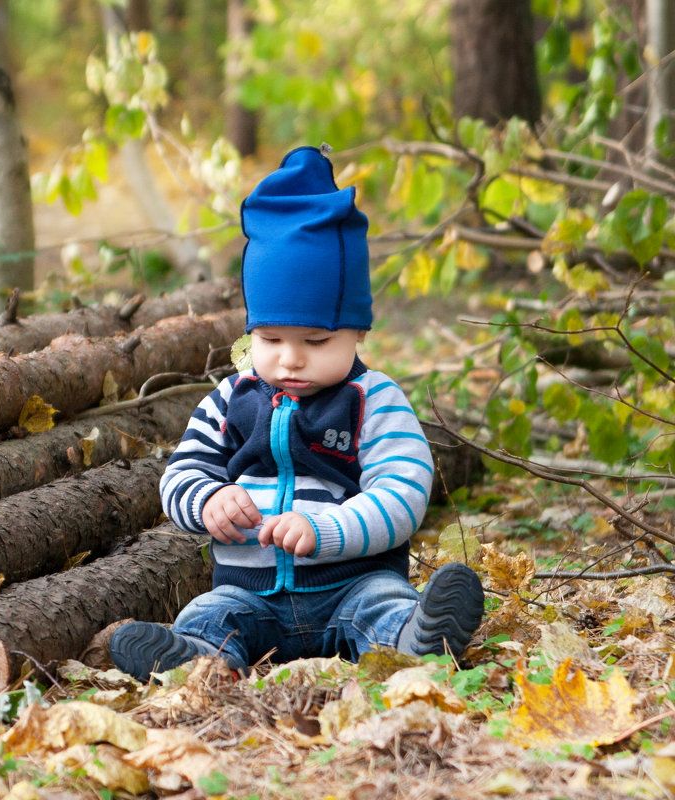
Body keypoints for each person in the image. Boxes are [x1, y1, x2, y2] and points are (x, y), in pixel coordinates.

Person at [110, 145, 484, 680]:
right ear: (251, 332)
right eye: (270, 338)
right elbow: (179, 475)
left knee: (382, 605)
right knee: (210, 614)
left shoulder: (372, 400)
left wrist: (326, 528)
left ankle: (418, 636)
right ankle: (198, 661)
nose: (290, 358)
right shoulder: (229, 399)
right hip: (250, 596)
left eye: (315, 339)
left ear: (357, 331)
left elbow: (403, 492)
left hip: (350, 585)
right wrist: (209, 499)